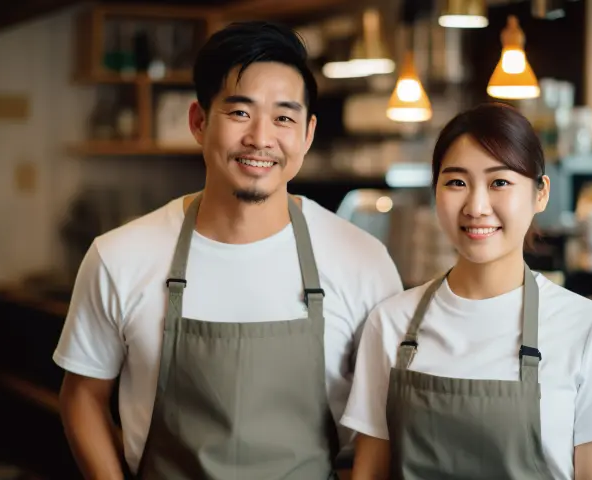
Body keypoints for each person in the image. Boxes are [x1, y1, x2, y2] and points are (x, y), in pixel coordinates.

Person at [53, 21, 403, 479]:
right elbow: (82, 396)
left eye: (284, 117)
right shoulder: (119, 256)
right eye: (240, 113)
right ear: (199, 122)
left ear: (307, 134)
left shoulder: (362, 260)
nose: (261, 138)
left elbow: (388, 411)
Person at [340, 102, 592, 480]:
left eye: (500, 182)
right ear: (435, 192)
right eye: (456, 182)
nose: (477, 206)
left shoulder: (589, 331)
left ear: (540, 193)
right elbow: (369, 473)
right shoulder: (390, 323)